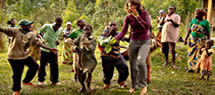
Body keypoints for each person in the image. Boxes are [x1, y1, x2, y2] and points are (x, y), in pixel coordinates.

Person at [0, 19, 57, 95]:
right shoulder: (14, 31)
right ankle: (16, 90)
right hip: (14, 56)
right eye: (28, 25)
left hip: (25, 55)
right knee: (17, 74)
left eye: (30, 24)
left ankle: (26, 81)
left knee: (35, 66)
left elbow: (38, 43)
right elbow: (3, 29)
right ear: (23, 26)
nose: (30, 26)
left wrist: (50, 49)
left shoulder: (31, 34)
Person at [115, 0, 151, 94]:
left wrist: (137, 17)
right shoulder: (128, 17)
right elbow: (123, 32)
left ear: (137, 5)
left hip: (144, 42)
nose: (131, 7)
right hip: (133, 42)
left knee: (140, 62)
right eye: (129, 6)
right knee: (133, 65)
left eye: (133, 5)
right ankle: (134, 85)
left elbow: (147, 27)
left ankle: (143, 85)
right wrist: (114, 39)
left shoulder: (144, 13)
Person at [99, 21, 129, 89]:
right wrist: (110, 33)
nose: (112, 26)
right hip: (107, 56)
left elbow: (127, 39)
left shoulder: (118, 34)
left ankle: (121, 81)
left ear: (117, 27)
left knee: (124, 67)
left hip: (117, 55)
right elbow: (102, 42)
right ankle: (107, 83)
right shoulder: (105, 33)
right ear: (108, 26)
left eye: (114, 25)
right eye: (111, 25)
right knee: (107, 72)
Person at [38, 17, 63, 85]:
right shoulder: (47, 26)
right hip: (44, 48)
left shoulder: (60, 29)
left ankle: (54, 81)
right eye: (56, 24)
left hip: (54, 49)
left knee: (54, 65)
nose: (58, 26)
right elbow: (39, 33)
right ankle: (41, 80)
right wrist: (42, 39)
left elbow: (56, 37)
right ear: (54, 22)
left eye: (59, 25)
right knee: (42, 65)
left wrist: (57, 41)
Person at [184, 8, 210, 72]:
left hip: (201, 40)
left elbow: (208, 32)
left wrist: (208, 41)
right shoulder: (193, 20)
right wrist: (186, 39)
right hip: (192, 40)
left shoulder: (205, 22)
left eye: (197, 14)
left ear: (201, 15)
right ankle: (191, 68)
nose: (196, 15)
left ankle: (198, 68)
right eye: (195, 13)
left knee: (199, 53)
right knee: (190, 53)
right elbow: (189, 30)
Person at [73, 25, 97, 93]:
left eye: (87, 30)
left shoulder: (93, 39)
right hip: (80, 60)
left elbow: (92, 49)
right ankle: (83, 87)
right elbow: (74, 44)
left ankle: (88, 87)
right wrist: (75, 48)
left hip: (90, 60)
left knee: (88, 73)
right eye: (84, 30)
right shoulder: (80, 37)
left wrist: (87, 44)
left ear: (91, 31)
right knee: (80, 75)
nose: (86, 31)